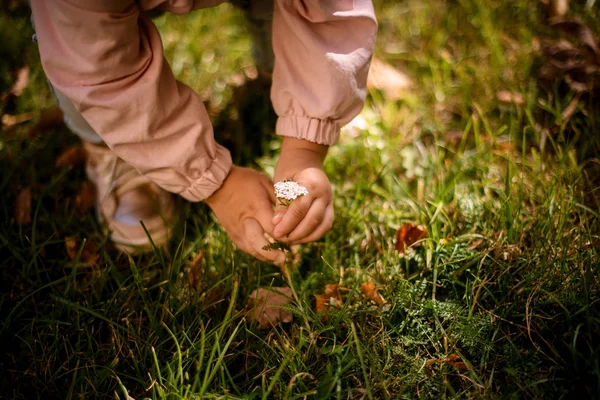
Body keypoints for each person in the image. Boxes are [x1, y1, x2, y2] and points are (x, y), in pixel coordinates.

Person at [29, 0, 377, 264]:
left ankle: (292, 85)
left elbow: (332, 14)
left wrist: (305, 145)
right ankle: (109, 147)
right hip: (87, 23)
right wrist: (217, 184)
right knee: (80, 48)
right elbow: (99, 72)